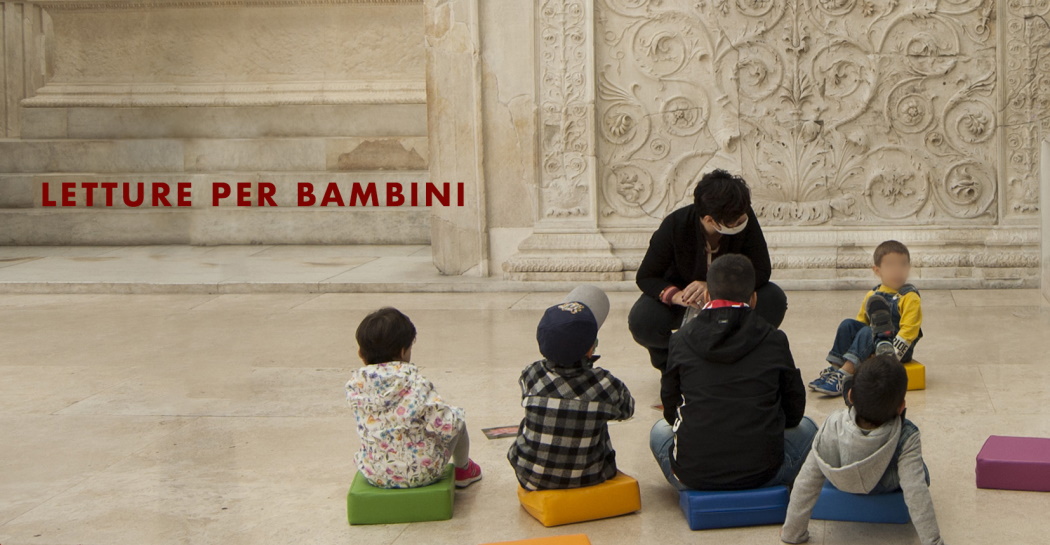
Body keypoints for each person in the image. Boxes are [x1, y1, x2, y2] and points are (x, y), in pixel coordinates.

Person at [650, 254, 814, 491]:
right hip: (765, 474)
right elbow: (794, 412)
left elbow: (670, 406)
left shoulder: (680, 340)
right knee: (808, 428)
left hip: (693, 476)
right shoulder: (774, 338)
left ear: (708, 296)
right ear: (754, 298)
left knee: (659, 432)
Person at [629, 169, 787, 372]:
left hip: (730, 298)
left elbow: (762, 269)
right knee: (643, 320)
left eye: (743, 217)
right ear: (710, 220)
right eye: (736, 222)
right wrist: (677, 296)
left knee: (773, 298)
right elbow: (646, 276)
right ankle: (674, 365)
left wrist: (716, 287)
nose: (742, 222)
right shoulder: (675, 225)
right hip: (685, 300)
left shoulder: (744, 218)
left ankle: (737, 356)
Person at [781, 354, 945, 545]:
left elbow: (807, 480)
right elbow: (915, 491)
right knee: (921, 471)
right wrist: (933, 541)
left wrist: (792, 532)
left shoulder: (833, 423)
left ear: (850, 395)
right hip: (881, 485)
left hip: (840, 479)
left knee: (818, 460)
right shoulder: (907, 435)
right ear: (901, 407)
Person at [508, 285, 636, 490]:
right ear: (591, 349)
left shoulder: (531, 373)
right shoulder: (605, 383)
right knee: (597, 417)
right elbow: (627, 410)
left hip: (530, 476)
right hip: (589, 477)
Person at [345, 307, 482, 489]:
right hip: (422, 472)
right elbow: (447, 425)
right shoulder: (416, 382)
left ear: (361, 354)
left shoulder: (355, 386)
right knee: (457, 420)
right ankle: (463, 470)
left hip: (374, 472)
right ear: (403, 351)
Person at [810, 240, 923, 396]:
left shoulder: (909, 296)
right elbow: (860, 324)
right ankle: (836, 368)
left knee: (869, 331)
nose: (897, 271)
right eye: (891, 265)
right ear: (877, 270)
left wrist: (890, 358)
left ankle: (846, 373)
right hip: (873, 343)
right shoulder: (872, 294)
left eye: (902, 265)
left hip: (896, 349)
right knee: (848, 325)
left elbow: (909, 332)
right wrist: (863, 349)